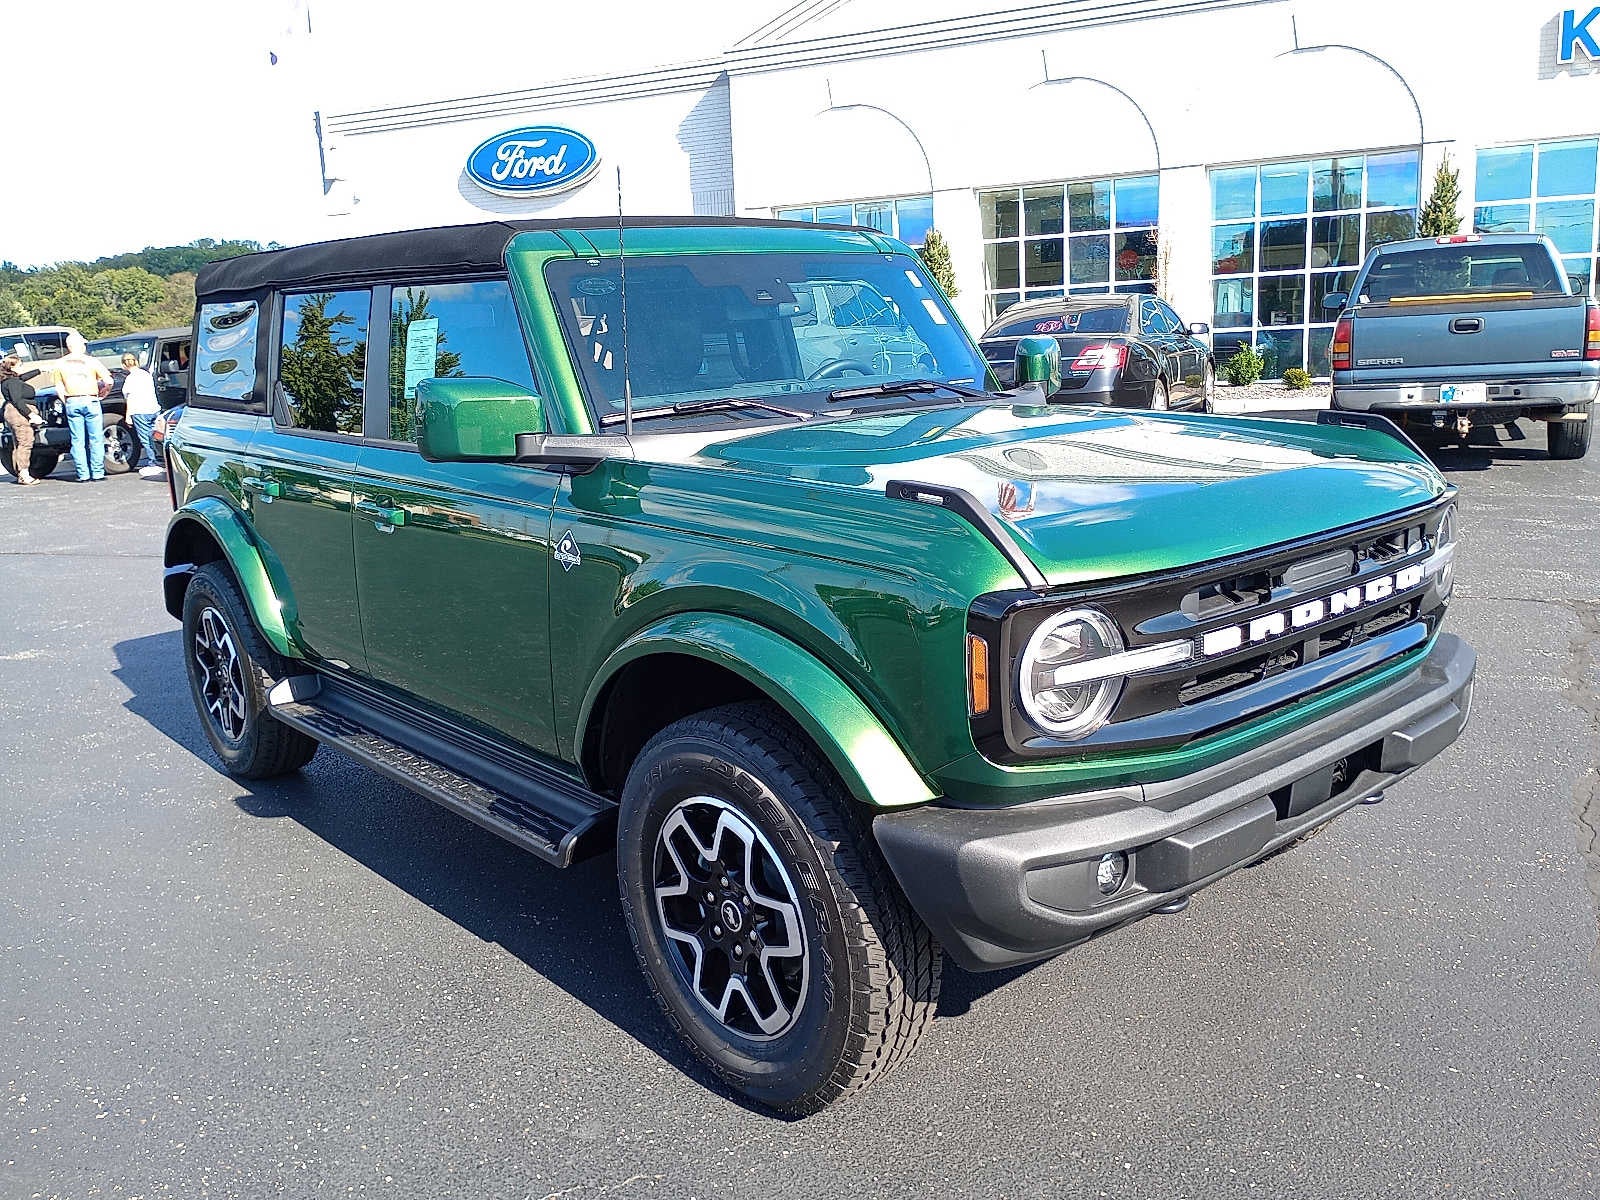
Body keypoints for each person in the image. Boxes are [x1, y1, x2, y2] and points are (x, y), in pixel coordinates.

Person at [51, 333, 113, 482]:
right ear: (81, 345)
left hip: (72, 400)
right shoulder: (91, 361)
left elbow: (58, 387)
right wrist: (104, 392)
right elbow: (109, 380)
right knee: (96, 438)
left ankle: (83, 474)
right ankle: (97, 473)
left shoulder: (60, 363)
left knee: (77, 440)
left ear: (68, 346)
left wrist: (66, 401)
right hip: (90, 399)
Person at [1, 354, 46, 485]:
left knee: (19, 443)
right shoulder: (13, 382)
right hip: (18, 413)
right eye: (20, 365)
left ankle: (20, 472)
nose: (22, 367)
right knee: (25, 442)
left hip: (11, 412)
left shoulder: (9, 380)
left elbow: (23, 377)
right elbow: (18, 400)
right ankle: (24, 474)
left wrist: (39, 370)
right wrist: (31, 415)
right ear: (13, 367)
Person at [120, 352, 162, 476]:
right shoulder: (146, 374)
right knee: (155, 435)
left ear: (124, 365)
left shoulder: (130, 379)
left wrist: (128, 416)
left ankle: (153, 462)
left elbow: (130, 398)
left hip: (139, 411)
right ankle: (161, 458)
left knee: (145, 438)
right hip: (153, 408)